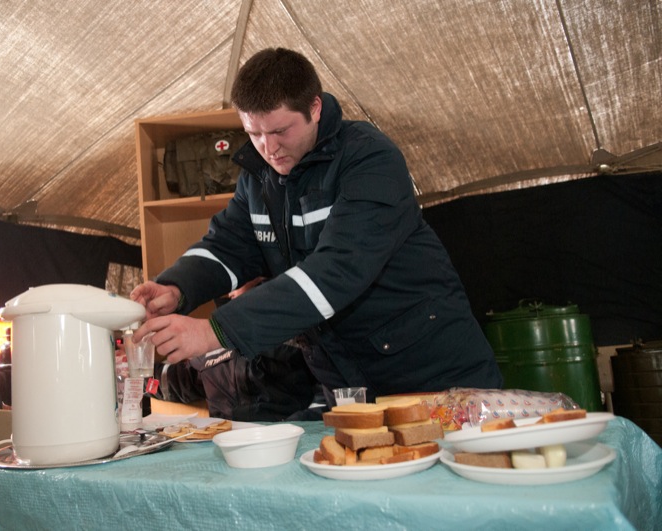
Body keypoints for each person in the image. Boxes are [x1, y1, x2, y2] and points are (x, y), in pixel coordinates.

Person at [131, 47, 502, 406]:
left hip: (434, 377)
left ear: (314, 108)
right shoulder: (259, 179)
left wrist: (215, 331)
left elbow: (335, 271)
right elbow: (229, 245)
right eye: (254, 133)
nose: (268, 148)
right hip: (348, 385)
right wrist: (176, 287)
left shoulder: (370, 160)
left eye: (280, 131)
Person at [152, 278, 321, 421]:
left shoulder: (296, 330)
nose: (230, 293)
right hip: (227, 448)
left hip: (288, 445)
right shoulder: (211, 343)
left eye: (239, 280)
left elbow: (330, 396)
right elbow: (173, 383)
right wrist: (134, 377)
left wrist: (293, 429)